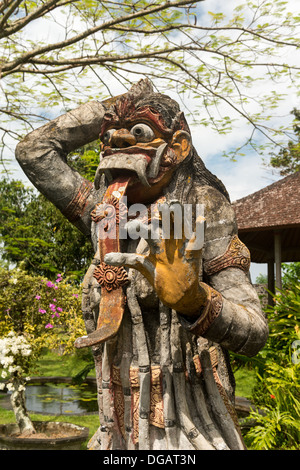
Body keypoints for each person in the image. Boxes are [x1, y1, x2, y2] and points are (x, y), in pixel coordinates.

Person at [16, 79, 268, 450]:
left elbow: (254, 329)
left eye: (137, 132)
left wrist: (194, 301)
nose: (117, 142)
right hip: (116, 416)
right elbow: (34, 150)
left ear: (177, 147)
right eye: (109, 135)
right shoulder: (103, 211)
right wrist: (118, 104)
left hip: (185, 415)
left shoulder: (202, 208)